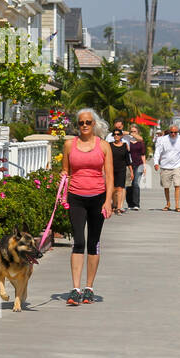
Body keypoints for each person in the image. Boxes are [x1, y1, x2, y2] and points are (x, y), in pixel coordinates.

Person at [61, 108, 112, 306]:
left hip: (98, 197)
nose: (84, 126)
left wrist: (108, 201)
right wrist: (62, 177)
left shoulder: (104, 146)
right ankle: (75, 289)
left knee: (93, 242)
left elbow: (109, 176)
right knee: (78, 241)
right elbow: (65, 170)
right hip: (76, 197)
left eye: (88, 122)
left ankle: (89, 288)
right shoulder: (68, 145)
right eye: (81, 122)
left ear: (94, 124)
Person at [153, 122, 180, 212]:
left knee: (177, 185)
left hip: (177, 166)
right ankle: (168, 203)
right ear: (169, 132)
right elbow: (158, 151)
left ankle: (177, 206)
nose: (173, 134)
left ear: (178, 132)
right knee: (166, 186)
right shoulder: (162, 139)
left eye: (175, 132)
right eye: (171, 132)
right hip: (165, 166)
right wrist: (155, 163)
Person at [108, 126, 131, 215]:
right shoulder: (109, 145)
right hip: (111, 169)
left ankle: (118, 208)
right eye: (115, 134)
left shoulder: (125, 145)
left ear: (121, 136)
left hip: (122, 169)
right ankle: (112, 205)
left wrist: (131, 171)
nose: (116, 136)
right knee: (112, 188)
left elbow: (127, 160)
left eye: (118, 134)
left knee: (120, 188)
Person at [126, 124, 147, 209]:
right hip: (129, 165)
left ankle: (136, 204)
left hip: (139, 164)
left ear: (138, 132)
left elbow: (143, 155)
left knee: (136, 183)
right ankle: (130, 203)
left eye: (135, 131)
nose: (133, 133)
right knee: (129, 184)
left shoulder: (140, 142)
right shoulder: (127, 140)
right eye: (132, 131)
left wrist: (144, 166)